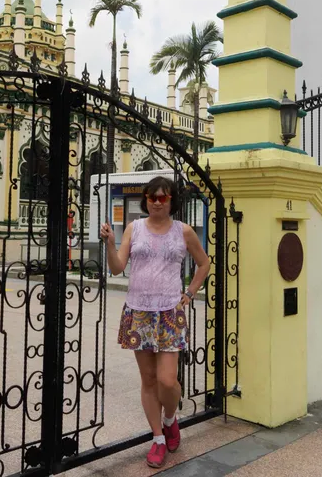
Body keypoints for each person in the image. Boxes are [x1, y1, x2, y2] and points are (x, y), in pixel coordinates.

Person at [100, 176, 209, 468]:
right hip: (139, 313)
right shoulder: (134, 229)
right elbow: (117, 266)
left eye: (163, 198)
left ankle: (171, 418)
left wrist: (190, 292)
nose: (157, 202)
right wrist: (111, 244)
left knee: (167, 380)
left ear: (172, 200)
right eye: (152, 197)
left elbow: (204, 263)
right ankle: (158, 438)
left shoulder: (183, 232)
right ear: (145, 199)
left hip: (170, 314)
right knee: (148, 380)